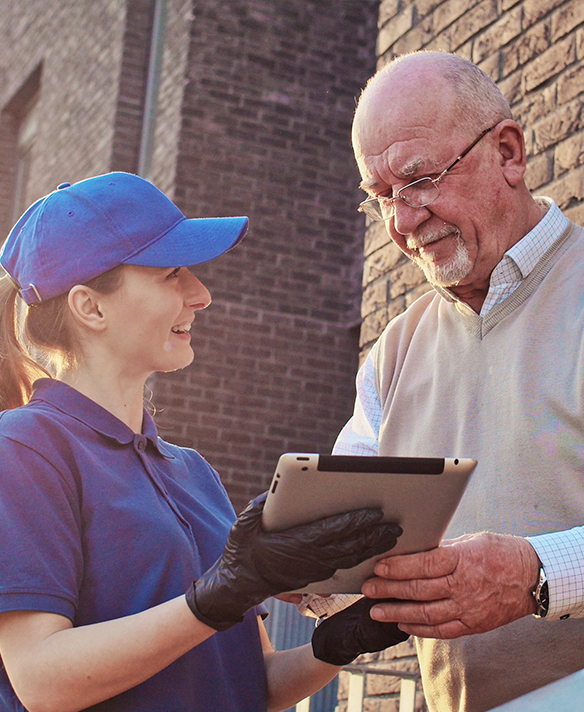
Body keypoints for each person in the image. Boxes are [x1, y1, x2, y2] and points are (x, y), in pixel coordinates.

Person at [0, 172, 407, 712]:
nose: (201, 294)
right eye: (171, 273)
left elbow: (254, 683)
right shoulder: (24, 448)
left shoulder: (191, 471)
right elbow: (41, 679)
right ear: (89, 307)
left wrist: (346, 639)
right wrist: (215, 597)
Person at [331, 50, 584, 711]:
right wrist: (302, 565)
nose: (402, 222)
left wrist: (536, 575)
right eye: (382, 196)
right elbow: (349, 516)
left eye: (419, 180)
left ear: (508, 152)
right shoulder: (395, 350)